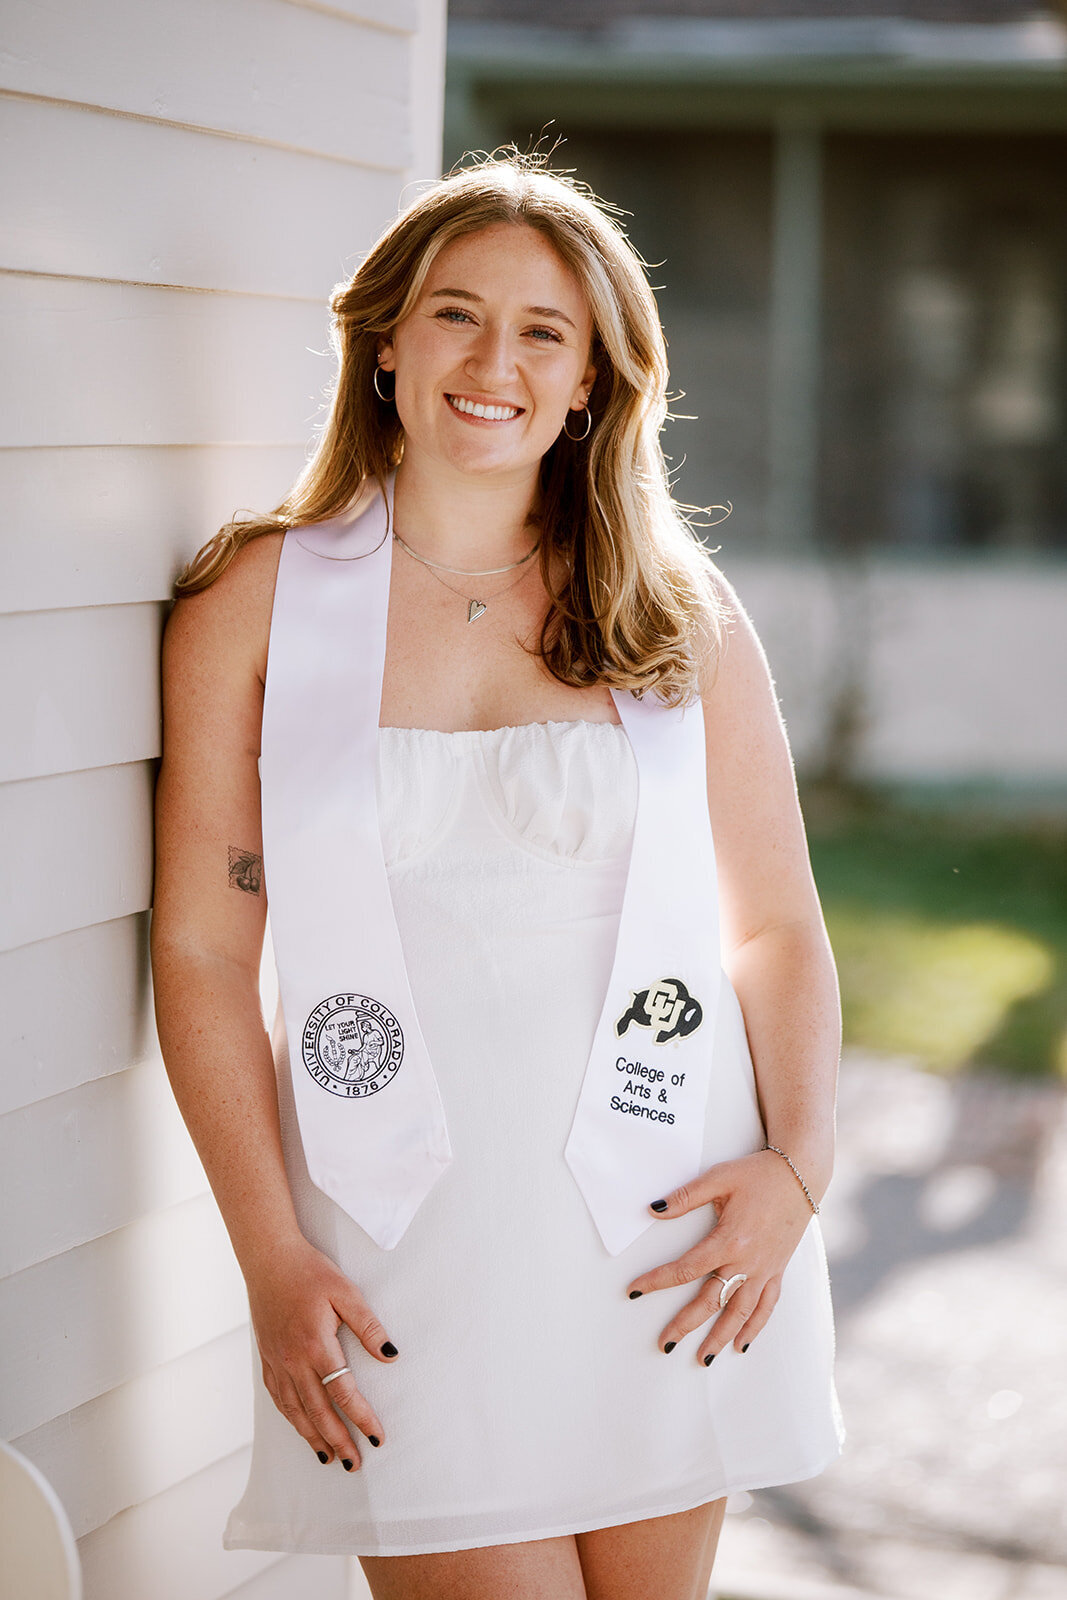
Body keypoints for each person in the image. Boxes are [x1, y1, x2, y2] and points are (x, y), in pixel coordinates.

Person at [150, 152, 844, 1600]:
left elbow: (774, 925)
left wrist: (798, 1170)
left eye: (544, 332)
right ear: (384, 338)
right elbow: (206, 954)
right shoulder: (254, 603)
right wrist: (270, 1256)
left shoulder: (670, 607)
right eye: (456, 314)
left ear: (592, 380)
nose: (494, 363)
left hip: (663, 1225)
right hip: (406, 1237)